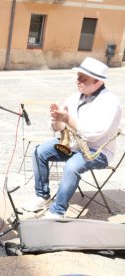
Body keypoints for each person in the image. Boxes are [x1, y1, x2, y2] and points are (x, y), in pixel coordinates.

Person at [23, 57, 122, 218]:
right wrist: (57, 120)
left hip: (98, 151)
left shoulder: (110, 102)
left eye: (83, 79)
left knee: (71, 166)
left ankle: (57, 211)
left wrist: (67, 119)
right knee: (39, 151)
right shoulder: (76, 96)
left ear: (97, 82)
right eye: (78, 77)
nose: (78, 81)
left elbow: (92, 133)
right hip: (74, 145)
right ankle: (42, 195)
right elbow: (57, 128)